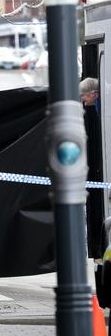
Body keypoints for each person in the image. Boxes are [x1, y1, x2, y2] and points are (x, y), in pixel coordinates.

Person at [80, 77, 105, 260]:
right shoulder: (92, 109)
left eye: (84, 96)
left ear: (94, 94)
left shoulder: (95, 112)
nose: (82, 100)